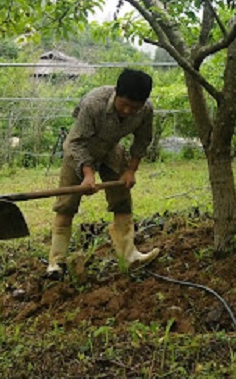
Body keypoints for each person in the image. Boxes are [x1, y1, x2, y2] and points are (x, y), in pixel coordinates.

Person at [45, 68, 160, 279]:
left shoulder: (145, 110)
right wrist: (88, 175)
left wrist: (131, 170)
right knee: (66, 204)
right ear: (116, 92)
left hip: (110, 149)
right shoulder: (93, 103)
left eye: (134, 107)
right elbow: (77, 143)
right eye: (124, 104)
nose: (127, 111)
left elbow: (142, 140)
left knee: (122, 199)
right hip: (80, 149)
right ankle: (56, 261)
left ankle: (129, 255)